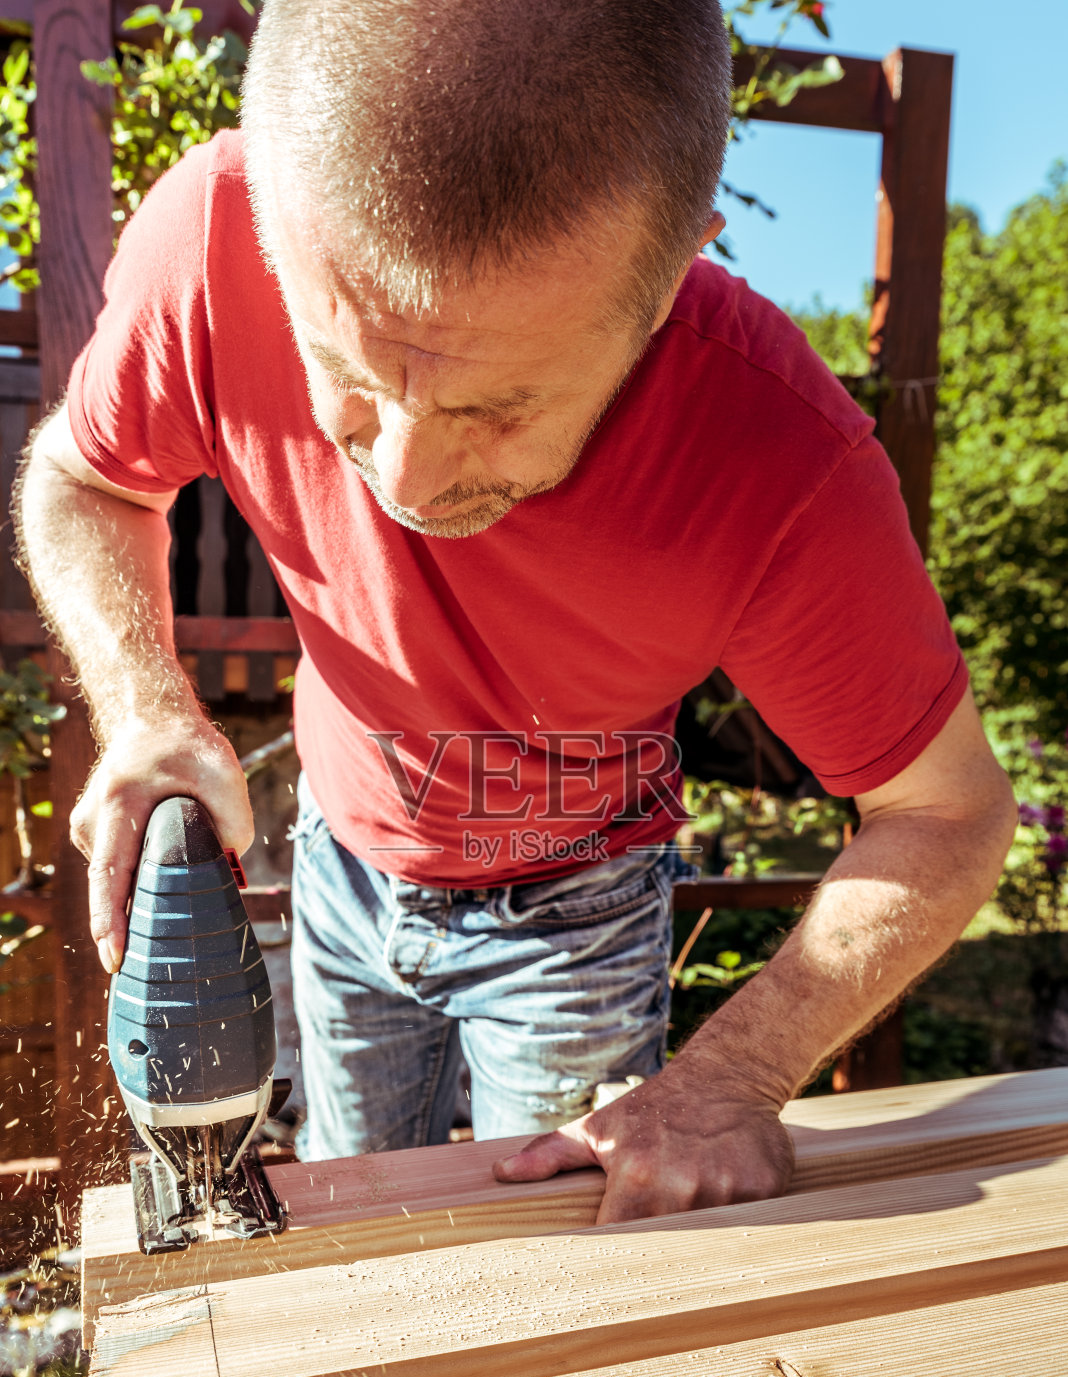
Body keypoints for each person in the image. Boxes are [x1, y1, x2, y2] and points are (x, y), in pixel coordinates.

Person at [15, 0, 1015, 1224]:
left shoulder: (783, 461)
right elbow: (86, 480)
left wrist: (734, 1077)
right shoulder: (213, 239)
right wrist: (145, 707)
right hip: (342, 850)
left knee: (545, 1266)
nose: (407, 477)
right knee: (350, 1215)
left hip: (578, 904)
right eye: (348, 373)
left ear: (667, 280)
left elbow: (949, 817)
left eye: (497, 409)